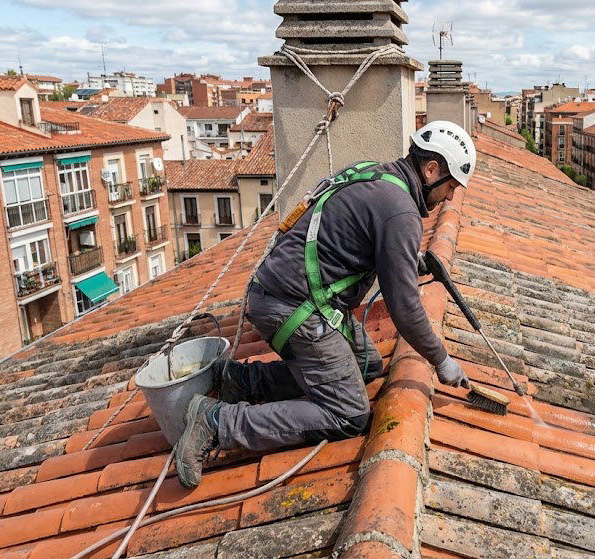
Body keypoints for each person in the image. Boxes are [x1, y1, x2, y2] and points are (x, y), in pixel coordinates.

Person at [174, 121, 477, 488]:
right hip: (294, 309)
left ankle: (242, 381)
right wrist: (441, 360)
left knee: (368, 363)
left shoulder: (375, 175)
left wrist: (412, 260)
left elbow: (357, 239)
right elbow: (405, 308)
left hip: (281, 294)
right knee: (348, 413)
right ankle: (218, 422)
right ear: (431, 170)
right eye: (450, 187)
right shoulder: (401, 212)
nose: (449, 198)